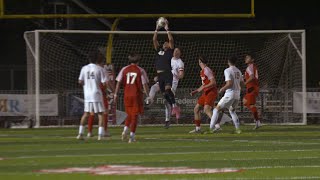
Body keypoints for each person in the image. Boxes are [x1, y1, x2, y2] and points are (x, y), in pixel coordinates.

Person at [114, 53, 149, 143]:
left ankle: (125, 130)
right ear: (138, 61)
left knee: (129, 114)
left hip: (127, 95)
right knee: (135, 116)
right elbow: (144, 84)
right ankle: (132, 137)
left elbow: (118, 82)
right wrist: (148, 95)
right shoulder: (140, 70)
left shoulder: (124, 69)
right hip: (136, 95)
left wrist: (115, 94)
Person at [146, 47, 184, 128]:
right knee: (153, 88)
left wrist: (175, 75)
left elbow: (181, 75)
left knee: (166, 101)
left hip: (172, 82)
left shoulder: (180, 62)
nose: (176, 52)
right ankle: (149, 100)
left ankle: (167, 120)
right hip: (163, 79)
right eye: (175, 50)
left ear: (180, 53)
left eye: (178, 51)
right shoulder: (168, 58)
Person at [152, 20, 181, 120]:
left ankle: (174, 107)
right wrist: (156, 29)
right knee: (164, 94)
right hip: (160, 75)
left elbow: (171, 40)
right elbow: (154, 40)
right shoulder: (159, 51)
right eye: (164, 43)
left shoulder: (170, 51)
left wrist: (167, 29)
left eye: (167, 43)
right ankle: (175, 106)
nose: (165, 43)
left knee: (168, 90)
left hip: (167, 73)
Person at [77, 50, 107, 140]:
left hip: (87, 94)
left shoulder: (84, 68)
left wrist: (87, 85)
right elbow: (104, 83)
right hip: (96, 93)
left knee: (86, 114)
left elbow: (80, 81)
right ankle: (100, 135)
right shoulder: (100, 69)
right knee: (101, 114)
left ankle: (80, 134)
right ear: (97, 59)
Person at [210, 56, 244, 134]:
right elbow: (242, 84)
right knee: (232, 111)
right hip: (237, 95)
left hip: (230, 94)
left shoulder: (227, 70)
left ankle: (210, 129)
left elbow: (229, 83)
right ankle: (238, 129)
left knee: (216, 109)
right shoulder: (239, 71)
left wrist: (222, 89)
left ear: (228, 62)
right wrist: (239, 89)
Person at [189, 56, 218, 133]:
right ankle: (198, 128)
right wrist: (195, 91)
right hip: (206, 92)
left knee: (206, 109)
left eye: (199, 62)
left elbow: (213, 82)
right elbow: (204, 84)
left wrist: (205, 86)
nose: (199, 63)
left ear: (201, 62)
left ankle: (216, 126)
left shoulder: (207, 70)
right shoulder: (202, 71)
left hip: (211, 91)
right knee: (196, 109)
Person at [87, 61, 113, 138]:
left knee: (92, 113)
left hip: (90, 94)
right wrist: (112, 90)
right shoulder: (101, 70)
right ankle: (104, 131)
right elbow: (106, 83)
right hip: (100, 94)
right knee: (104, 113)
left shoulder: (88, 70)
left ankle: (89, 132)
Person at [243, 53, 261, 129]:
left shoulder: (249, 67)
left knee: (251, 105)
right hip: (253, 87)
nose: (246, 58)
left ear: (252, 60)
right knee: (244, 102)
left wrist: (245, 83)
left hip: (252, 87)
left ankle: (257, 121)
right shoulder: (252, 67)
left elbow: (252, 77)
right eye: (246, 57)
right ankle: (256, 112)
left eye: (248, 57)